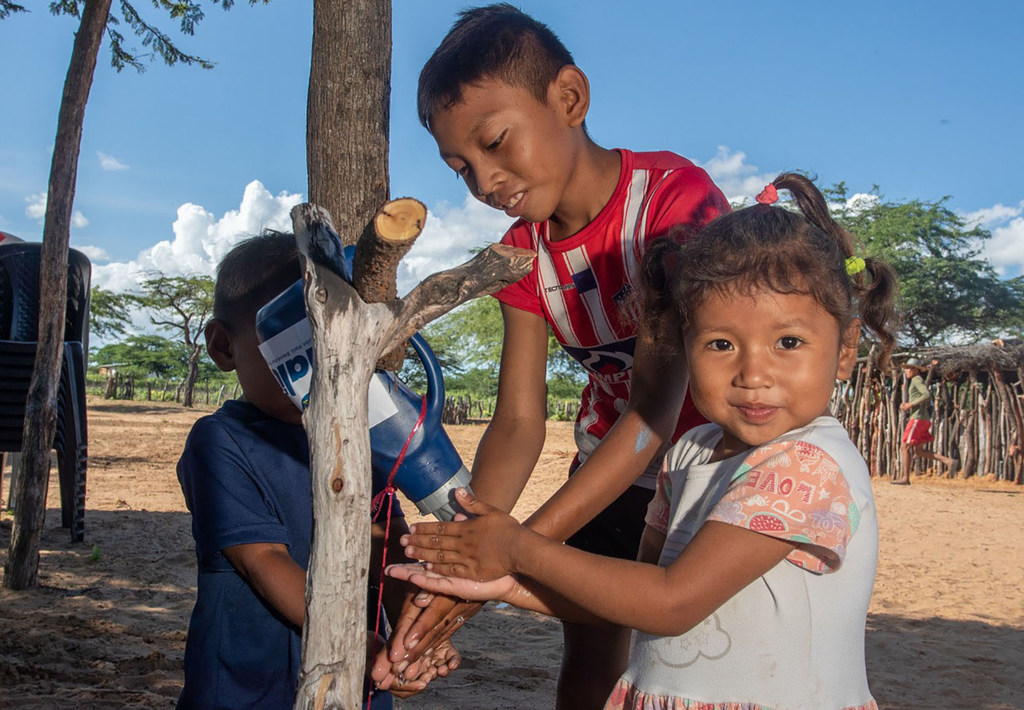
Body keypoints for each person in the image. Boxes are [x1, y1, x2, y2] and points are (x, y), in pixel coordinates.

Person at [390, 173, 899, 709]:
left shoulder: (805, 465)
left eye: (788, 342)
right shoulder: (688, 453)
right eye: (721, 343)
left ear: (845, 350)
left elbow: (672, 602)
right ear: (681, 346)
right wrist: (503, 588)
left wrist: (517, 549)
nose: (753, 372)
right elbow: (634, 590)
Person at [377, 5, 730, 706]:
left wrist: (508, 553)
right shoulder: (520, 254)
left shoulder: (671, 202)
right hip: (608, 460)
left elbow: (657, 410)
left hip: (708, 464)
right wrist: (470, 544)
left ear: (569, 98)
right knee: (593, 641)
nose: (484, 179)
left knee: (699, 649)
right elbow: (517, 422)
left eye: (496, 141)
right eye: (461, 168)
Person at [176, 231, 457, 709]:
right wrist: (363, 645)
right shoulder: (219, 442)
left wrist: (408, 640)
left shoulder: (360, 432)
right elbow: (263, 559)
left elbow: (382, 539)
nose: (322, 367)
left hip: (355, 687)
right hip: (247, 691)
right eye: (296, 348)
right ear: (224, 347)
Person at [895, 357, 954, 484]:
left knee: (905, 446)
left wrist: (910, 405)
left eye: (909, 369)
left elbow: (926, 395)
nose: (907, 371)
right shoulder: (915, 380)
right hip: (923, 419)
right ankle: (948, 461)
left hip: (918, 418)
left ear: (916, 370)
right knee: (919, 450)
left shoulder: (916, 380)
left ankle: (905, 478)